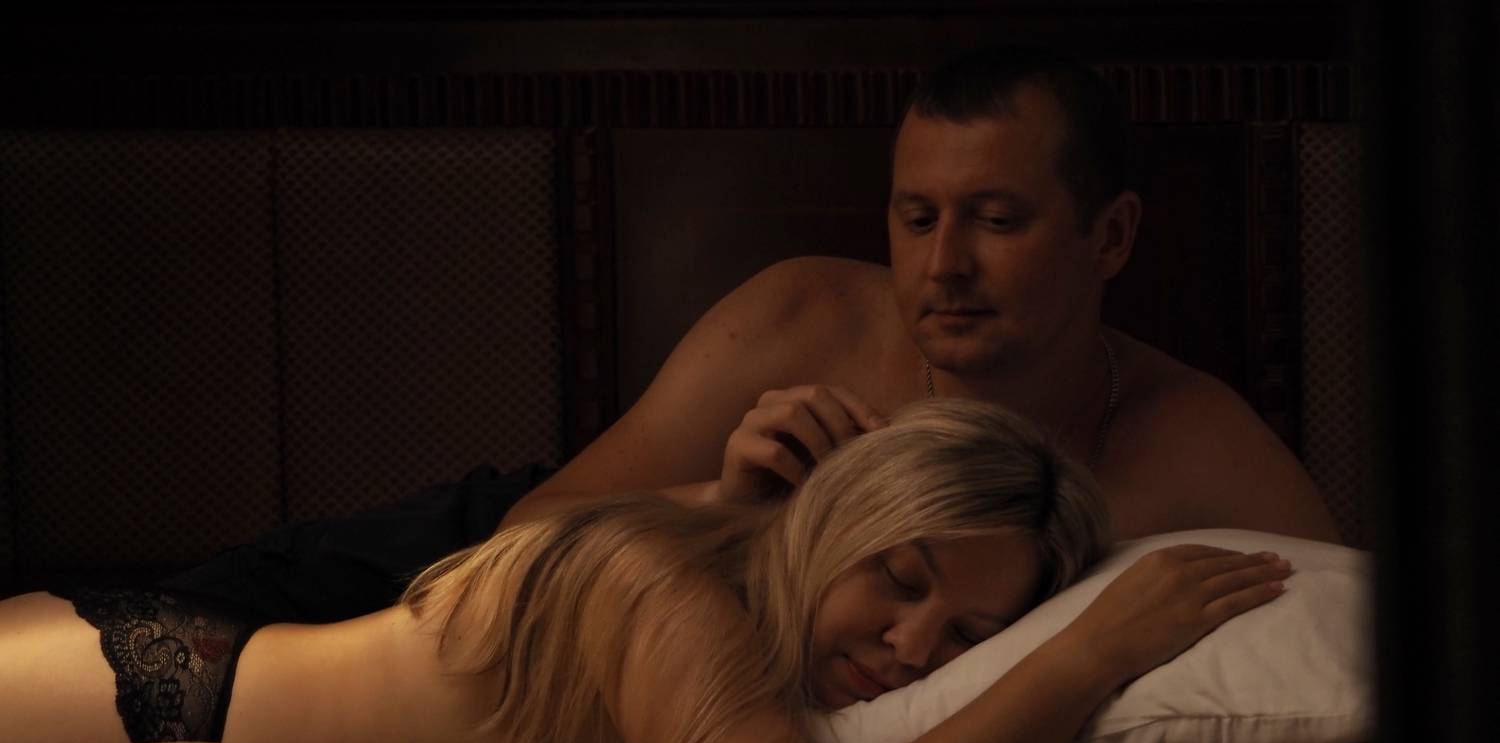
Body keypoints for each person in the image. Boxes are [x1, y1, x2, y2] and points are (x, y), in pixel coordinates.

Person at [0, 402, 1292, 743]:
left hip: (169, 667)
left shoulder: (713, 560)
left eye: (968, 635)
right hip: (137, 688)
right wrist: (1087, 652)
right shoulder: (678, 600)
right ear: (834, 525)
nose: (910, 647)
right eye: (897, 579)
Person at [502, 45, 1341, 544]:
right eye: (917, 219)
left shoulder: (1200, 447)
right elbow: (521, 531)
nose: (944, 264)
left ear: (1111, 236)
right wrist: (719, 504)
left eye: (997, 220)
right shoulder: (801, 317)